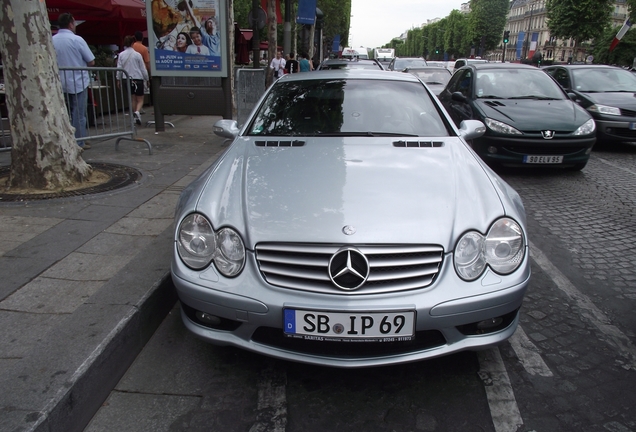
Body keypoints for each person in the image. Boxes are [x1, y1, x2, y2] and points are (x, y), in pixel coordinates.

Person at [52, 12, 95, 149]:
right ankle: (79, 141)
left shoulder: (52, 39)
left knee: (64, 113)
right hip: (77, 81)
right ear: (71, 23)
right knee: (79, 113)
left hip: (59, 81)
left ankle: (66, 140)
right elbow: (91, 61)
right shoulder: (77, 40)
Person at [116, 35, 149, 126]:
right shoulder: (137, 55)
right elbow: (143, 68)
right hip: (138, 78)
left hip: (126, 79)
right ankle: (137, 112)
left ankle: (134, 117)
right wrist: (147, 78)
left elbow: (119, 68)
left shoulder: (121, 55)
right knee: (140, 99)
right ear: (132, 43)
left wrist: (118, 79)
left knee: (133, 98)